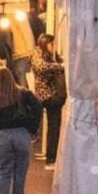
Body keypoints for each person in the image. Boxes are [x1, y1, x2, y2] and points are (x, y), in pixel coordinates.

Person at [0, 66, 40, 194]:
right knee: (20, 173)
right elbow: (38, 107)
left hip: (3, 136)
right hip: (22, 134)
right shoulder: (23, 93)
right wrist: (33, 128)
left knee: (3, 172)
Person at [31, 33, 66, 169]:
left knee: (53, 126)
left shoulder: (50, 56)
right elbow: (41, 67)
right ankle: (51, 158)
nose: (54, 46)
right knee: (54, 126)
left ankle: (51, 156)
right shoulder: (37, 54)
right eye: (52, 44)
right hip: (48, 96)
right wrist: (61, 66)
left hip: (50, 95)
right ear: (45, 44)